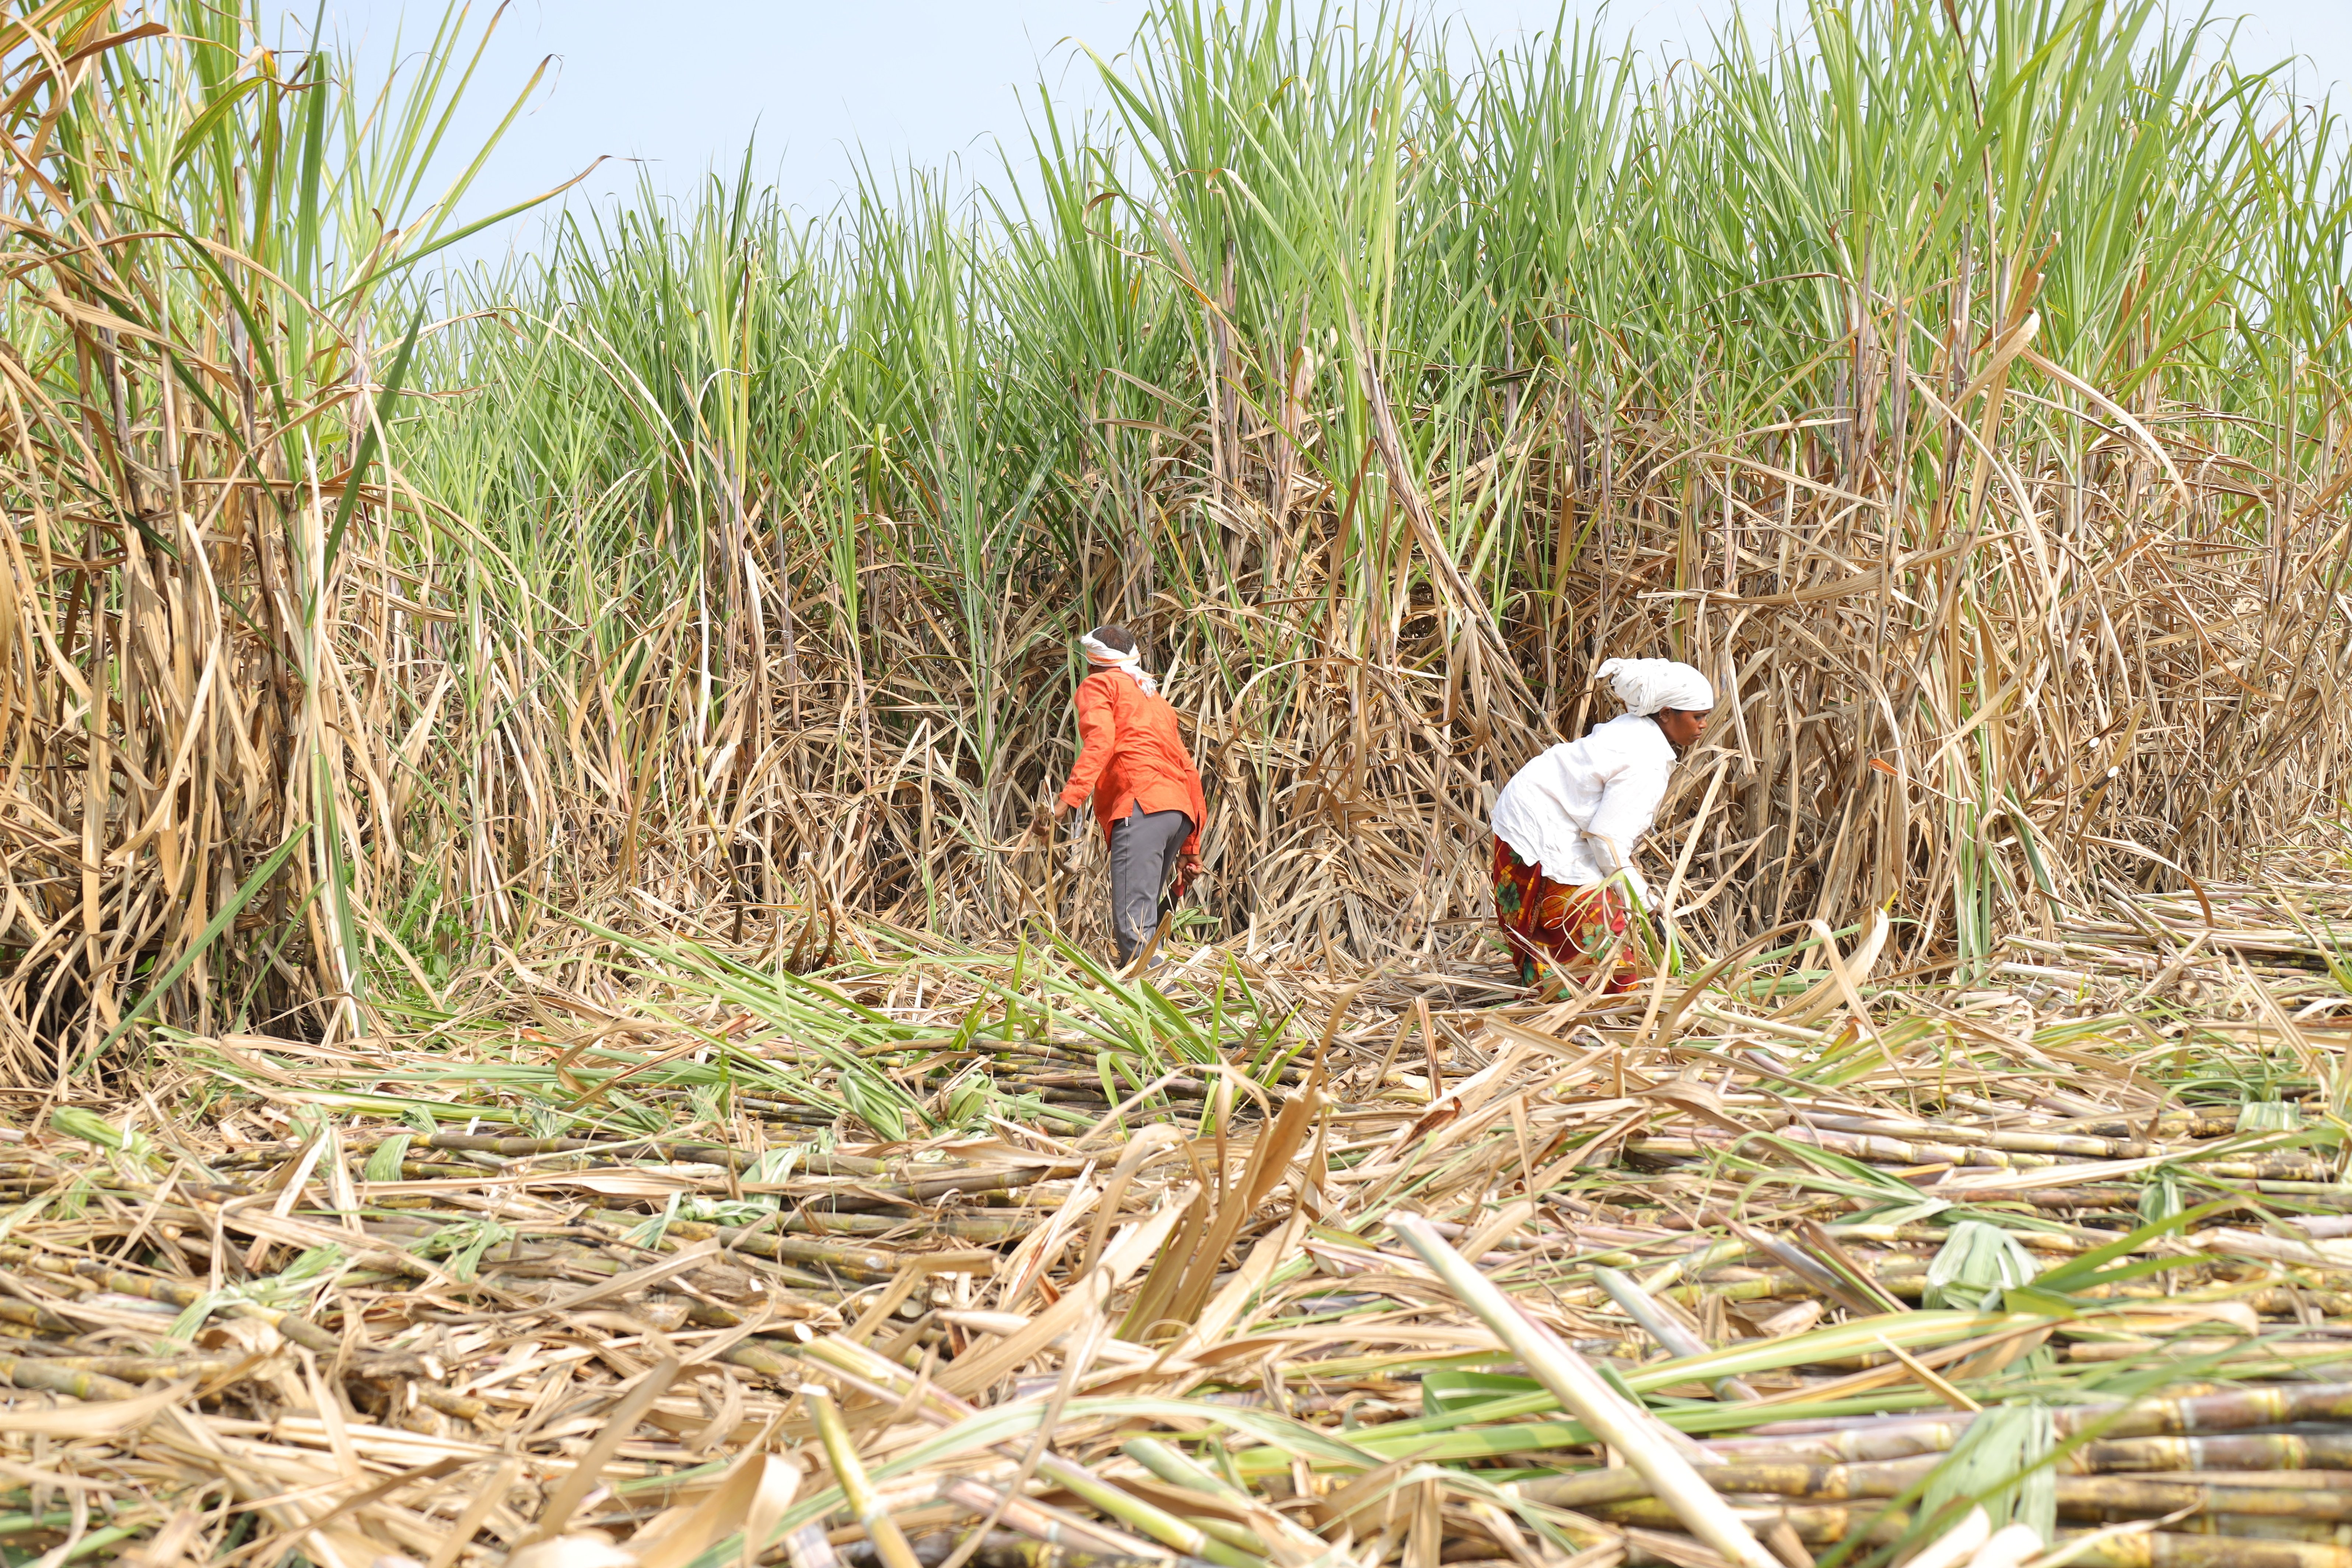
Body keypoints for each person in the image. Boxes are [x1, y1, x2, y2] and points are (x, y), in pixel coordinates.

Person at [1489, 657, 1714, 994]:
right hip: (1538, 831)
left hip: (1529, 815)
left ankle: (1560, 997)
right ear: (1666, 713)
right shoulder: (1647, 761)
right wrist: (1646, 903)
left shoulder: (1637, 730)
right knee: (1598, 936)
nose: (1704, 725)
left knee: (1581, 923)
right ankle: (1577, 1002)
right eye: (1697, 717)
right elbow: (1606, 840)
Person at [1034, 624, 1208, 968]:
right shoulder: (1155, 701)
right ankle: (1164, 1007)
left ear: (1092, 663)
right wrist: (1191, 848)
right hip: (1177, 814)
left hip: (1142, 806)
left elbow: (1100, 744)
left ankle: (1164, 1010)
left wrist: (1064, 805)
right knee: (1144, 921)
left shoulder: (1098, 685)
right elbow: (1189, 770)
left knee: (1135, 929)